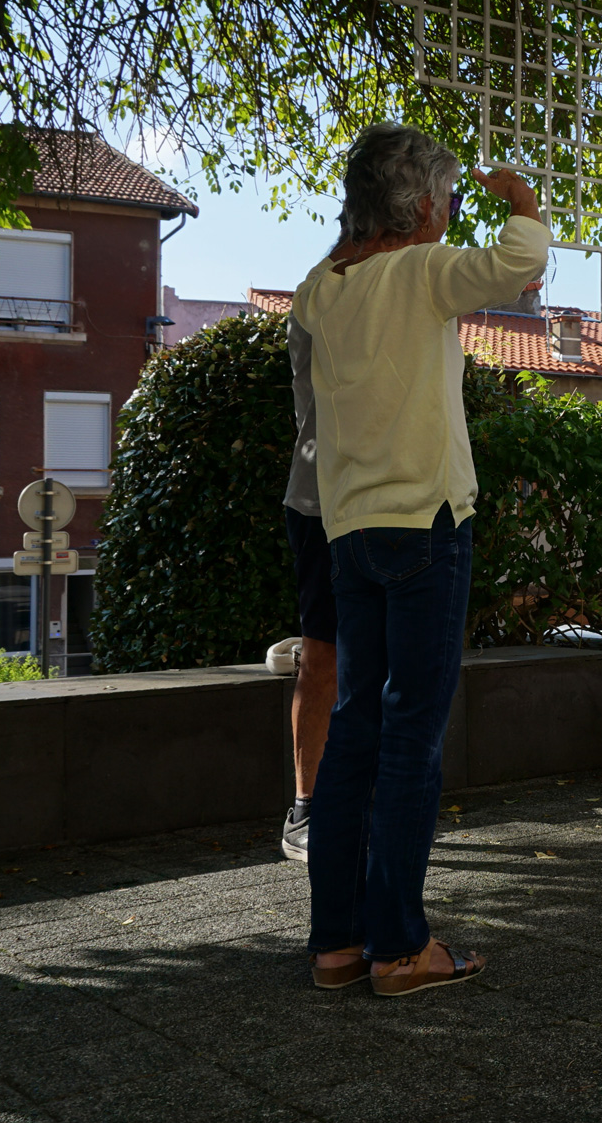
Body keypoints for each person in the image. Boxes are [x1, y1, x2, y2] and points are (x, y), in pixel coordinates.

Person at [294, 123, 547, 995]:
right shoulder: (422, 272)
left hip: (349, 531)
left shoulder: (318, 289)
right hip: (427, 526)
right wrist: (521, 202)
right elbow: (517, 263)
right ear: (418, 202)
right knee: (412, 738)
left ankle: (336, 943)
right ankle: (400, 947)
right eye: (444, 196)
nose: (449, 211)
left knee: (355, 731)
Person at [277, 319, 336, 863]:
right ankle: (306, 809)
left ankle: (362, 804)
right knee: (322, 656)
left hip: (390, 506)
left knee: (383, 662)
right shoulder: (322, 293)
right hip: (322, 504)